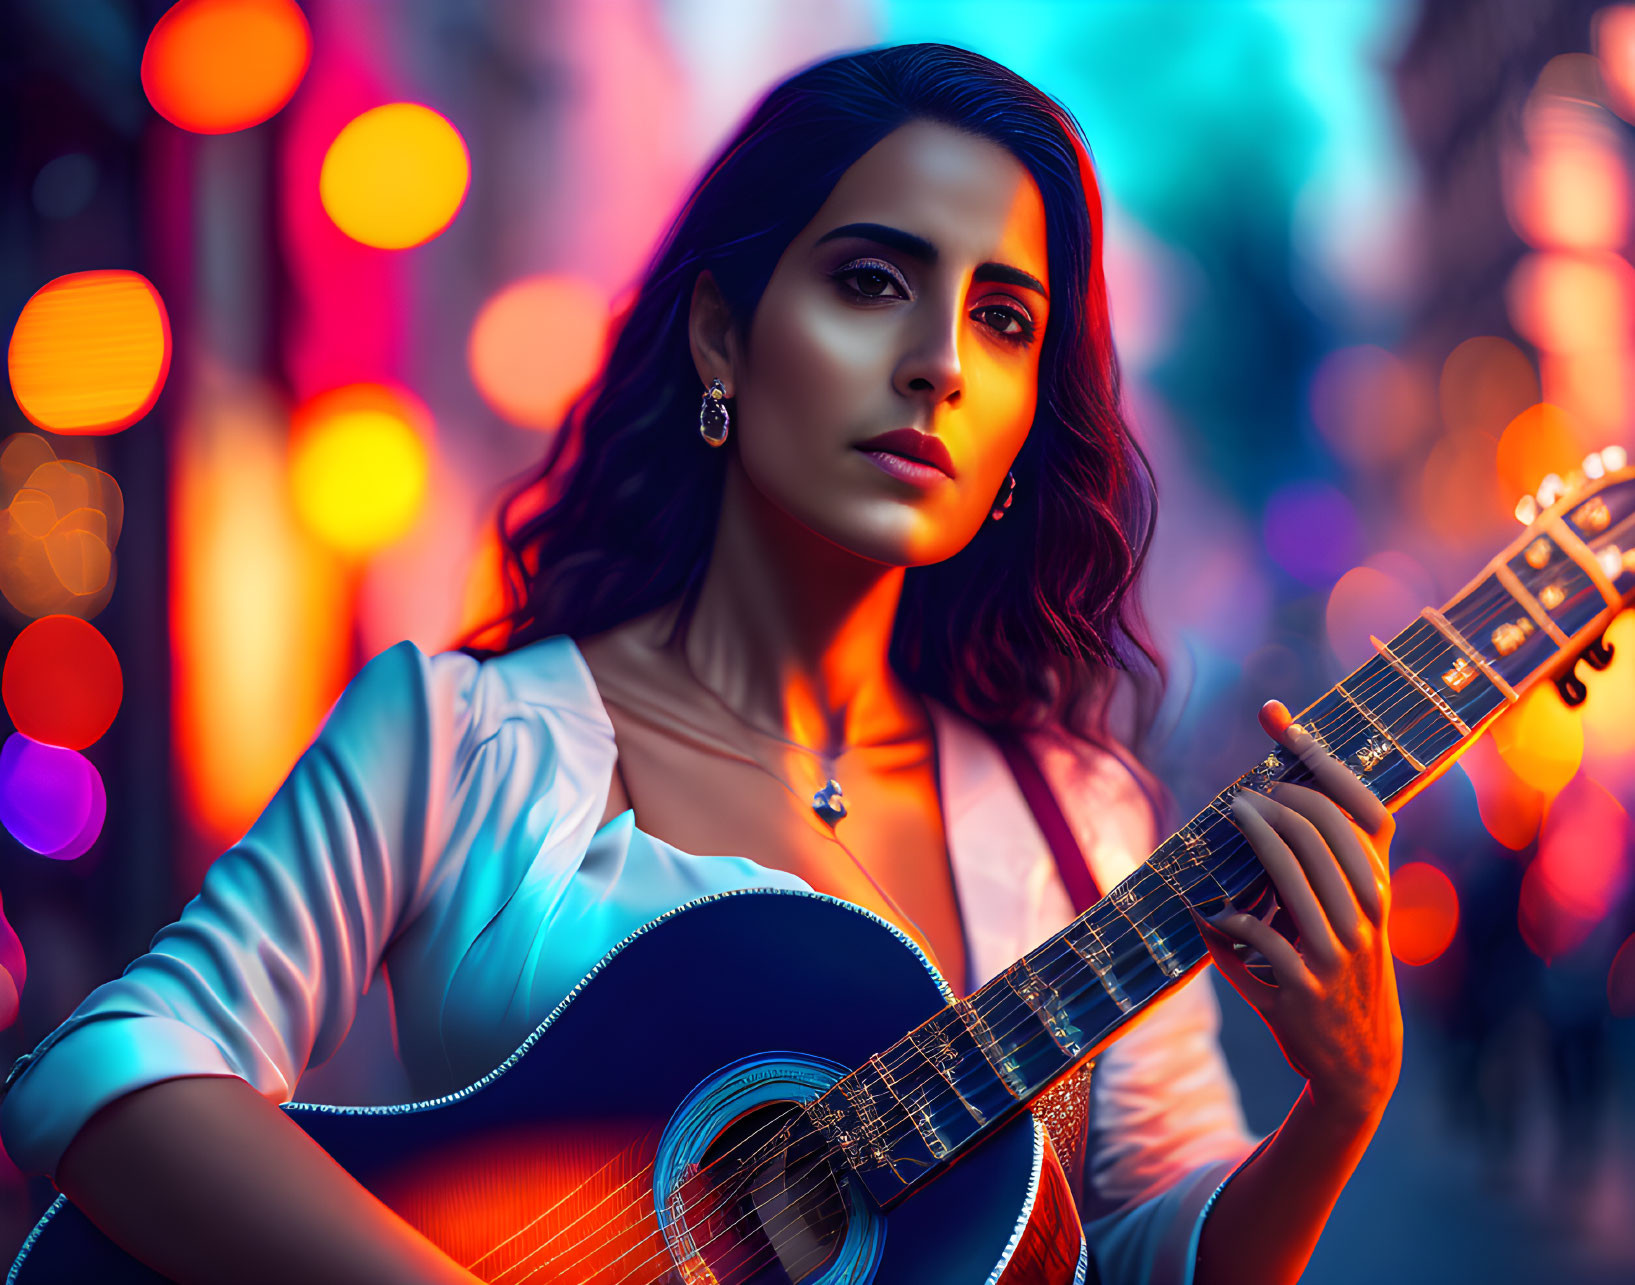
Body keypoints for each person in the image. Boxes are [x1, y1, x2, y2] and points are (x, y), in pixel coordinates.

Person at [0, 43, 1402, 1285]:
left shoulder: (1076, 815)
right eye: (872, 281)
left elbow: (1156, 1247)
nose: (939, 364)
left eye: (1004, 317)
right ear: (724, 331)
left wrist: (1336, 1109)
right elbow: (105, 1072)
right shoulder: (461, 737)